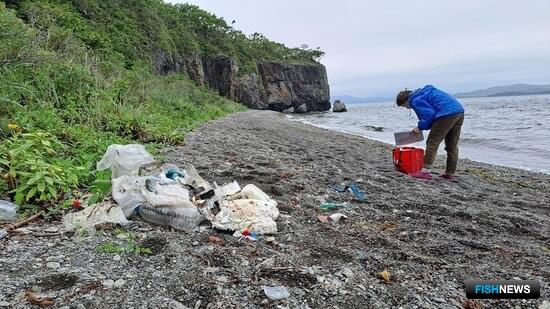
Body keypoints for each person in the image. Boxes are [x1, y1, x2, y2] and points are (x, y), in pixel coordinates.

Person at [395, 85, 465, 180]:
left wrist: (419, 127)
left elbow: (429, 114)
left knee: (432, 142)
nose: (407, 108)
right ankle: (450, 173)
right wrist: (423, 126)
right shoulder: (423, 93)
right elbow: (431, 115)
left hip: (446, 113)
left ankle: (425, 172)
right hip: (458, 111)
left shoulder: (415, 100)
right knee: (451, 146)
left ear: (405, 100)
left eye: (404, 106)